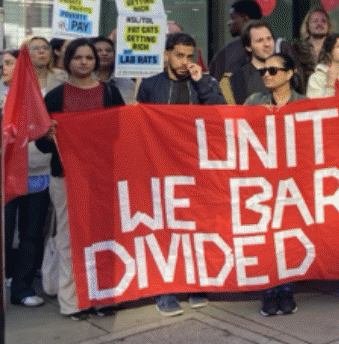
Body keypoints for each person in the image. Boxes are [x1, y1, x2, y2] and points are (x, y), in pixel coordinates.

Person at [135, 32, 225, 315]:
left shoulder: (205, 83)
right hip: (161, 168)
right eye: (179, 56)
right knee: (165, 229)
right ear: (166, 56)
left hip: (195, 167)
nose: (185, 62)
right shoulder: (150, 85)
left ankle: (196, 283)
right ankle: (167, 289)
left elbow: (221, 114)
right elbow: (140, 126)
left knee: (197, 226)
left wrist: (203, 84)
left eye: (189, 56)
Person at [36, 38, 126, 320]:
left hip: (102, 178)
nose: (84, 62)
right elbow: (41, 143)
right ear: (68, 61)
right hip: (65, 178)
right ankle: (73, 301)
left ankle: (103, 296)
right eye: (78, 57)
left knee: (104, 236)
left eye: (89, 57)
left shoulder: (110, 93)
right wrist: (49, 136)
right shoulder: (55, 97)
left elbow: (122, 134)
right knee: (69, 239)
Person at [242, 52, 303, 316]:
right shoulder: (254, 101)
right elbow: (236, 133)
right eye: (263, 71)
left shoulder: (305, 103)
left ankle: (286, 289)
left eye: (273, 71)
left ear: (290, 74)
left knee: (288, 236)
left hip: (293, 183)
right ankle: (269, 290)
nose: (266, 75)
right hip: (263, 181)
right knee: (267, 236)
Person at [3, 49, 48, 309]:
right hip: (6, 178)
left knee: (31, 235)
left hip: (37, 175)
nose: (5, 68)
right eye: (2, 64)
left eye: (10, 63)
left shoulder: (37, 98)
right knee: (4, 235)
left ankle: (22, 288)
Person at [221, 20, 290, 104]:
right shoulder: (238, 77)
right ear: (248, 47)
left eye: (269, 38)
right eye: (260, 41)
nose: (267, 44)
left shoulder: (286, 71)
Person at [208, 0, 263, 81]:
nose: (228, 23)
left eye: (232, 17)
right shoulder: (227, 51)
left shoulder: (229, 51)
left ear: (245, 19)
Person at [92, 36, 137, 103]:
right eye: (99, 51)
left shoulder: (128, 84)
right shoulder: (80, 81)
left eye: (108, 51)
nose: (104, 53)